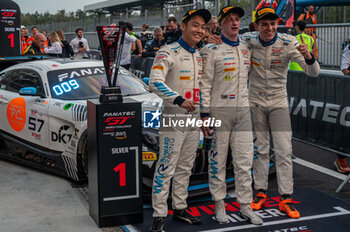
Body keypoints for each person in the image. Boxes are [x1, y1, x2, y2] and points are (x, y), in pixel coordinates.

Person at [242, 5, 320, 219]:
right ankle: (260, 193)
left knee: (284, 150)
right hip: (255, 102)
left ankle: (285, 197)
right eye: (265, 24)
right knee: (260, 149)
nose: (269, 28)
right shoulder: (248, 39)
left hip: (278, 103)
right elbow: (229, 43)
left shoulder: (290, 42)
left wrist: (309, 56)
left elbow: (314, 73)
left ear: (278, 24)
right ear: (257, 25)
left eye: (273, 24)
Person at [148, 9, 211, 232]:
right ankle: (158, 216)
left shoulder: (198, 54)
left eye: (203, 27)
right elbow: (154, 81)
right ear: (182, 26)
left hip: (193, 121)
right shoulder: (168, 51)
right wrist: (178, 99)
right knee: (166, 167)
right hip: (174, 119)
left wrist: (204, 116)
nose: (200, 30)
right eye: (195, 25)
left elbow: (201, 90)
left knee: (186, 167)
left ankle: (180, 207)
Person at [200, 6, 263, 225]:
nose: (235, 23)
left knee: (245, 162)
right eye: (229, 20)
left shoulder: (247, 46)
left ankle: (245, 205)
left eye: (237, 19)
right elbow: (204, 84)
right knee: (217, 161)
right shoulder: (211, 50)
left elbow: (267, 37)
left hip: (243, 112)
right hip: (219, 112)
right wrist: (204, 114)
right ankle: (219, 204)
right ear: (221, 24)